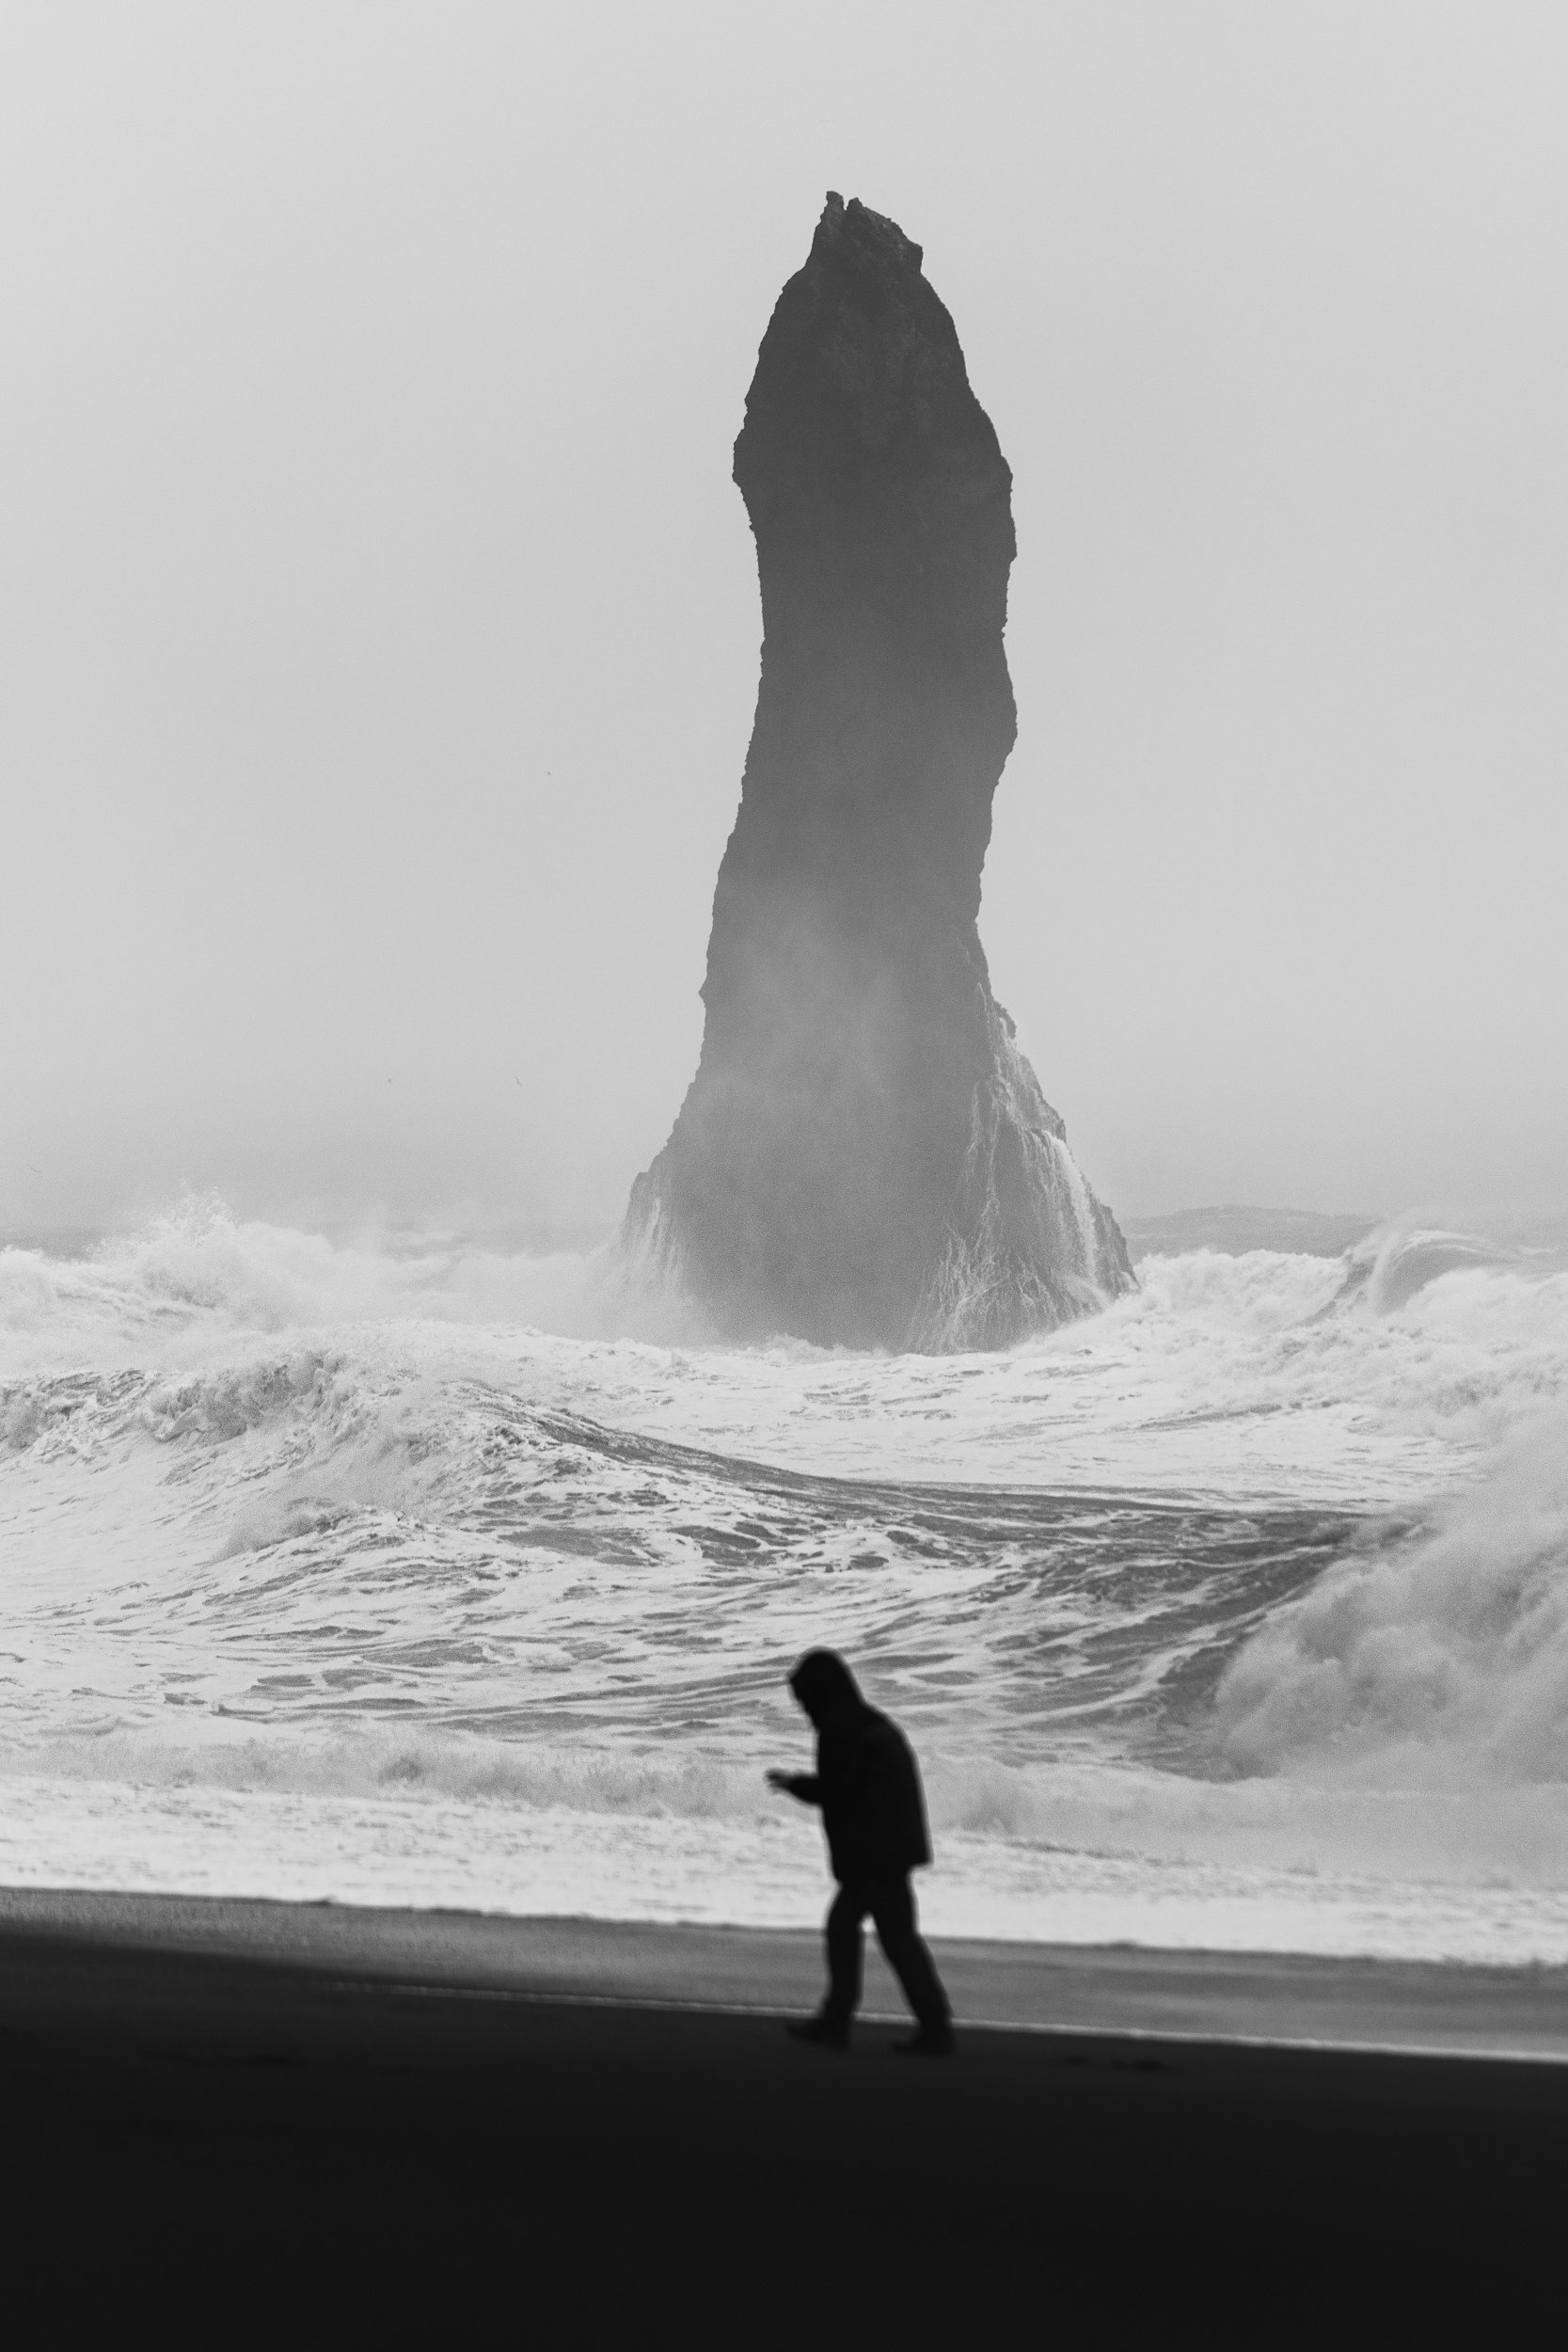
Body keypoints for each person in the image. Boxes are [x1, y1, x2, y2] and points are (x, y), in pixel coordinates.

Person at [767, 1649, 954, 2056]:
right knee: (894, 1938)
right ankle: (931, 2026)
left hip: (876, 1853)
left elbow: (838, 1792)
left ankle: (843, 2022)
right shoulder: (865, 1721)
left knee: (852, 1930)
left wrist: (796, 1785)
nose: (803, 1709)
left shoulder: (841, 1728)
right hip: (892, 1847)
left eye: (804, 1699)